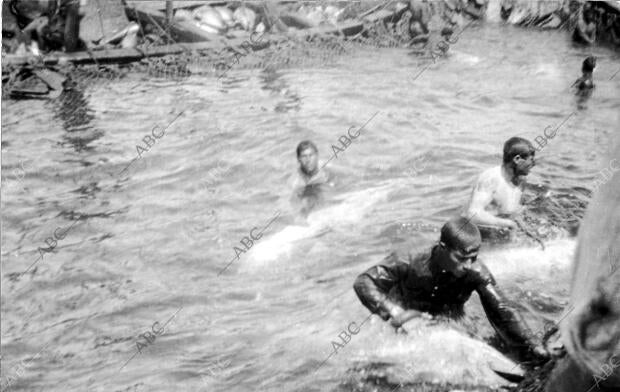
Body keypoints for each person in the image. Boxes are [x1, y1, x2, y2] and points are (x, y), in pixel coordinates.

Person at [353, 217, 549, 360]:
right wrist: (399, 314)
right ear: (442, 248)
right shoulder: (408, 259)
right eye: (461, 258)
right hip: (404, 318)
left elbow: (503, 311)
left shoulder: (476, 272)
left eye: (473, 258)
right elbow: (364, 282)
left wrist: (534, 345)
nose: (468, 265)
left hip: (448, 319)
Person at [463, 137, 536, 232]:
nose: (534, 164)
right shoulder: (491, 178)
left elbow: (513, 212)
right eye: (531, 160)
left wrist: (524, 228)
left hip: (499, 229)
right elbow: (473, 214)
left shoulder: (521, 180)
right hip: (476, 232)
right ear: (517, 159)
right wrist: (508, 224)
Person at [289, 140, 333, 217]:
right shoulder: (298, 181)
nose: (308, 160)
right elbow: (292, 201)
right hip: (308, 194)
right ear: (299, 159)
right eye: (304, 156)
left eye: (311, 155)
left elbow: (347, 173)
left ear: (317, 155)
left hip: (323, 190)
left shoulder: (324, 166)